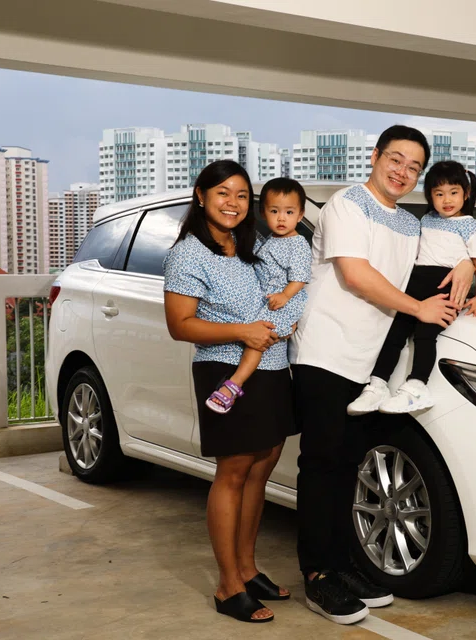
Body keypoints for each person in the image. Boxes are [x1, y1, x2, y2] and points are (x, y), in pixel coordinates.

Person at [289, 125, 476, 625]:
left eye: (414, 167)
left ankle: (345, 565)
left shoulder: (411, 223)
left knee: (351, 466)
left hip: (371, 365)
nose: (403, 172)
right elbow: (356, 275)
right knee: (323, 464)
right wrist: (418, 306)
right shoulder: (346, 205)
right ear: (375, 156)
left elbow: (447, 251)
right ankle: (318, 576)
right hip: (326, 352)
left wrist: (465, 269)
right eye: (396, 159)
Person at [163, 160, 295, 624]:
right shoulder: (188, 254)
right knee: (234, 471)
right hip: (224, 368)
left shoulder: (250, 245)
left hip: (273, 364)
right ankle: (227, 586)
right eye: (223, 193)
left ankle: (247, 569)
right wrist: (242, 331)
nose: (233, 203)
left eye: (242, 195)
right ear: (200, 196)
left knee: (263, 466)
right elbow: (180, 326)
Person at [348, 160, 476, 415]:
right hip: (415, 284)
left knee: (425, 336)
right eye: (439, 194)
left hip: (445, 287)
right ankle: (378, 384)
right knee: (395, 334)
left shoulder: (471, 226)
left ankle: (417, 386)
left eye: (454, 193)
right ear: (430, 197)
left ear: (466, 194)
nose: (446, 200)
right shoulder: (426, 219)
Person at [205, 177, 311, 414]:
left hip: (285, 303)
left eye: (289, 212)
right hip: (271, 301)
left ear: (300, 215)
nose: (281, 218)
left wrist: (284, 296)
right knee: (255, 337)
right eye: (274, 211)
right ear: (264, 214)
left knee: (257, 340)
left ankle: (234, 384)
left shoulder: (298, 244)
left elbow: (300, 278)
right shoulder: (270, 241)